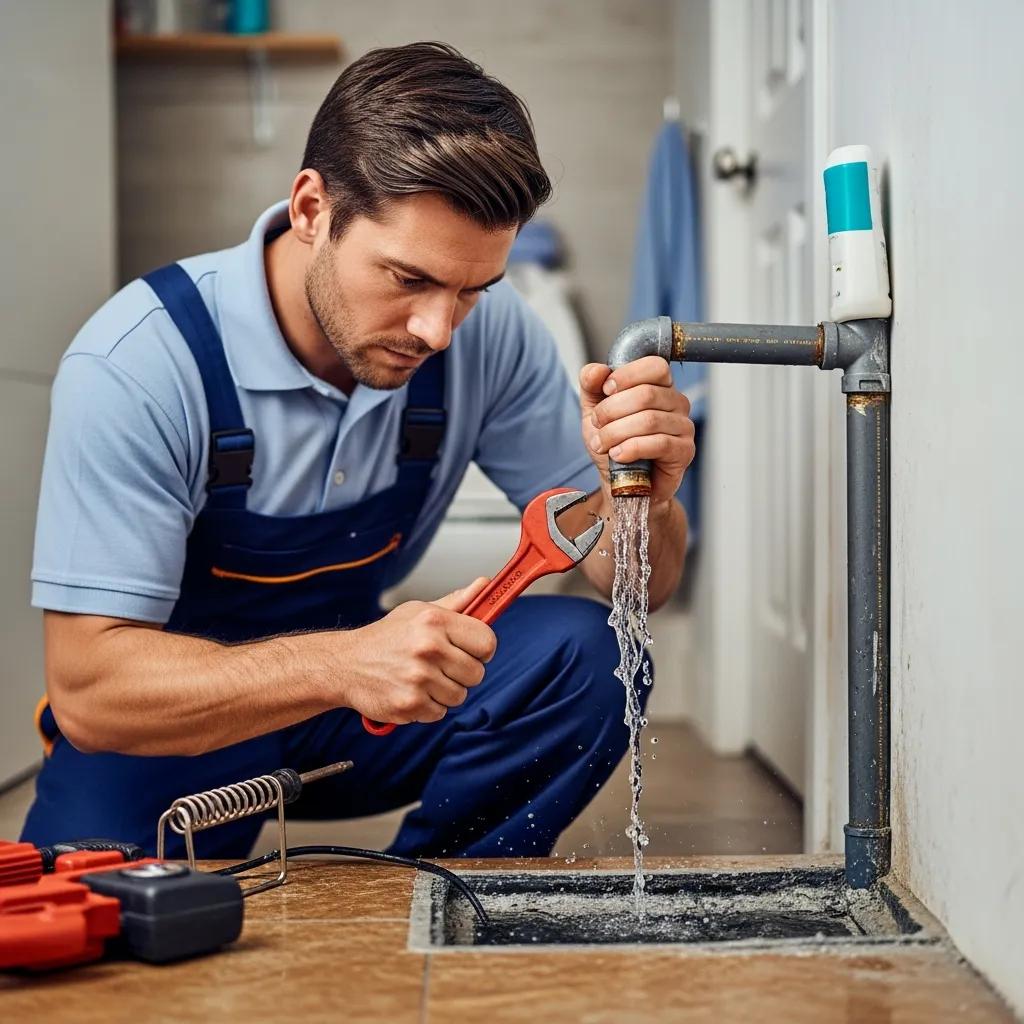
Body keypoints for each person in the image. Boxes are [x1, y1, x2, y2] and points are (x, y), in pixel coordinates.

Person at [23, 42, 694, 859]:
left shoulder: (494, 336)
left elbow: (639, 588)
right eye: (408, 278)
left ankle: (440, 893)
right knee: (91, 933)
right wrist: (342, 663)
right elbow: (92, 693)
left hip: (360, 718)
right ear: (312, 209)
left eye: (472, 291)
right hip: (171, 728)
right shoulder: (139, 360)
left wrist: (640, 497)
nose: (439, 330)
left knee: (594, 657)